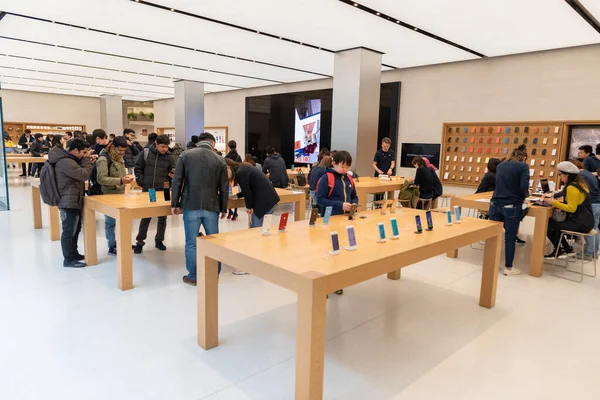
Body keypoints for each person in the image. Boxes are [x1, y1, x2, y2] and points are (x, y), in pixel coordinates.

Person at [171, 132, 228, 286]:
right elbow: (224, 187)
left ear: (199, 142)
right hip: (212, 205)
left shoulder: (186, 155)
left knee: (191, 243)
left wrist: (175, 203)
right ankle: (213, 275)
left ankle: (194, 276)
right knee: (214, 241)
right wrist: (224, 207)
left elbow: (177, 181)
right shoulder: (219, 159)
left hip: (190, 204)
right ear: (212, 143)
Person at [316, 150, 358, 296]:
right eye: (342, 166)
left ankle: (337, 282)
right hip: (330, 221)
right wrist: (340, 205)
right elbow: (320, 199)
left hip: (346, 221)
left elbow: (354, 196)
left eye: (347, 167)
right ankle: (323, 286)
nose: (345, 170)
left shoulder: (349, 179)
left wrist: (354, 204)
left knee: (340, 253)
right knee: (328, 252)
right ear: (334, 163)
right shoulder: (326, 178)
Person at [49, 138, 95, 268]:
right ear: (75, 150)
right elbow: (83, 175)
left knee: (75, 228)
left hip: (73, 199)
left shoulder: (70, 160)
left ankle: (74, 254)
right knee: (69, 231)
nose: (84, 155)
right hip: (68, 201)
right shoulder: (65, 162)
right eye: (83, 152)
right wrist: (86, 161)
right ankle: (68, 259)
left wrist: (85, 161)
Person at [489, 145, 529, 276]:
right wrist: (524, 198)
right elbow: (523, 187)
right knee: (510, 238)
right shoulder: (523, 167)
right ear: (524, 157)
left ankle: (491, 264)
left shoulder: (501, 165)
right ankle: (509, 267)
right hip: (511, 204)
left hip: (495, 203)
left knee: (493, 235)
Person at [545, 160, 597, 259]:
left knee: (548, 225)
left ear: (567, 175)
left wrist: (553, 202)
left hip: (580, 223)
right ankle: (566, 249)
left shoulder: (571, 188)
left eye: (560, 174)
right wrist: (559, 204)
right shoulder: (580, 184)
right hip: (587, 221)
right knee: (553, 224)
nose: (560, 177)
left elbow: (571, 209)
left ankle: (562, 250)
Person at [133, 135, 176, 254]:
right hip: (149, 189)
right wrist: (141, 181)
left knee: (163, 216)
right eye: (162, 146)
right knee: (146, 216)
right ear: (156, 144)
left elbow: (174, 170)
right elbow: (138, 168)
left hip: (165, 189)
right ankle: (140, 242)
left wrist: (173, 175)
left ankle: (159, 240)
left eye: (167, 147)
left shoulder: (170, 156)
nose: (165, 149)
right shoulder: (145, 153)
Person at [97, 137, 134, 255]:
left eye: (124, 151)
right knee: (110, 222)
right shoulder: (103, 159)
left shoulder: (119, 158)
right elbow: (101, 179)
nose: (122, 153)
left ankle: (123, 242)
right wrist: (120, 180)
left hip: (121, 193)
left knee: (124, 220)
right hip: (109, 195)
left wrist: (125, 180)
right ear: (113, 147)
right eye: (120, 150)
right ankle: (112, 245)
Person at [227, 159, 280, 227]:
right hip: (270, 198)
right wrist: (237, 195)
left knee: (255, 229)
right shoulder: (243, 167)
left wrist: (249, 207)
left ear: (228, 167)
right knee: (260, 229)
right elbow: (250, 188)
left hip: (264, 201)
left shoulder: (240, 172)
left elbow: (247, 191)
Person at [225, 140, 242, 220]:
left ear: (228, 147)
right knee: (236, 195)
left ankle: (229, 211)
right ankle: (235, 212)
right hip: (237, 179)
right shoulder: (239, 157)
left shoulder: (226, 157)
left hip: (229, 179)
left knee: (228, 195)